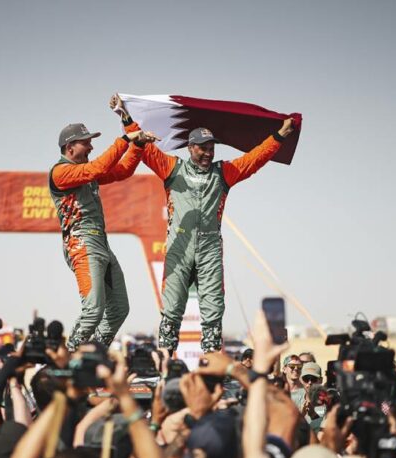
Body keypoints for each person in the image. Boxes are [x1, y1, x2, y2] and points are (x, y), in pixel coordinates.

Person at [111, 95, 294, 353]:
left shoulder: (224, 172)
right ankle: (166, 361)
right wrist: (125, 116)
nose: (208, 153)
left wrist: (280, 135)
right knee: (172, 307)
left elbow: (255, 159)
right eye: (202, 148)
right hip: (179, 245)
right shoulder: (171, 167)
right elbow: (145, 148)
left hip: (210, 248)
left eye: (211, 148)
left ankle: (212, 361)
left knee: (213, 308)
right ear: (190, 147)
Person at [49, 119, 157, 350]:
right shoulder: (60, 172)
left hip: (100, 243)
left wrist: (138, 146)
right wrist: (125, 140)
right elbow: (96, 168)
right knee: (93, 311)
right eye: (86, 143)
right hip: (82, 243)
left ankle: (93, 354)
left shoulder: (85, 172)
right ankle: (67, 358)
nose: (91, 147)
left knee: (119, 309)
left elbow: (123, 171)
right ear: (70, 147)